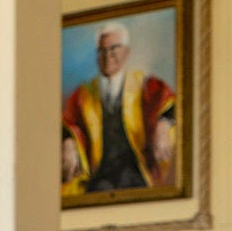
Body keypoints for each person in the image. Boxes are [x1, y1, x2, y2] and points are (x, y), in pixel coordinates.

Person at [61, 22, 178, 197]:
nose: (108, 55)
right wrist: (68, 143)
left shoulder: (145, 84)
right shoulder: (84, 94)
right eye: (102, 50)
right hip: (99, 175)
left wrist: (164, 125)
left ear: (126, 52)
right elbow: (67, 123)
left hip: (136, 172)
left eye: (114, 48)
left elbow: (171, 106)